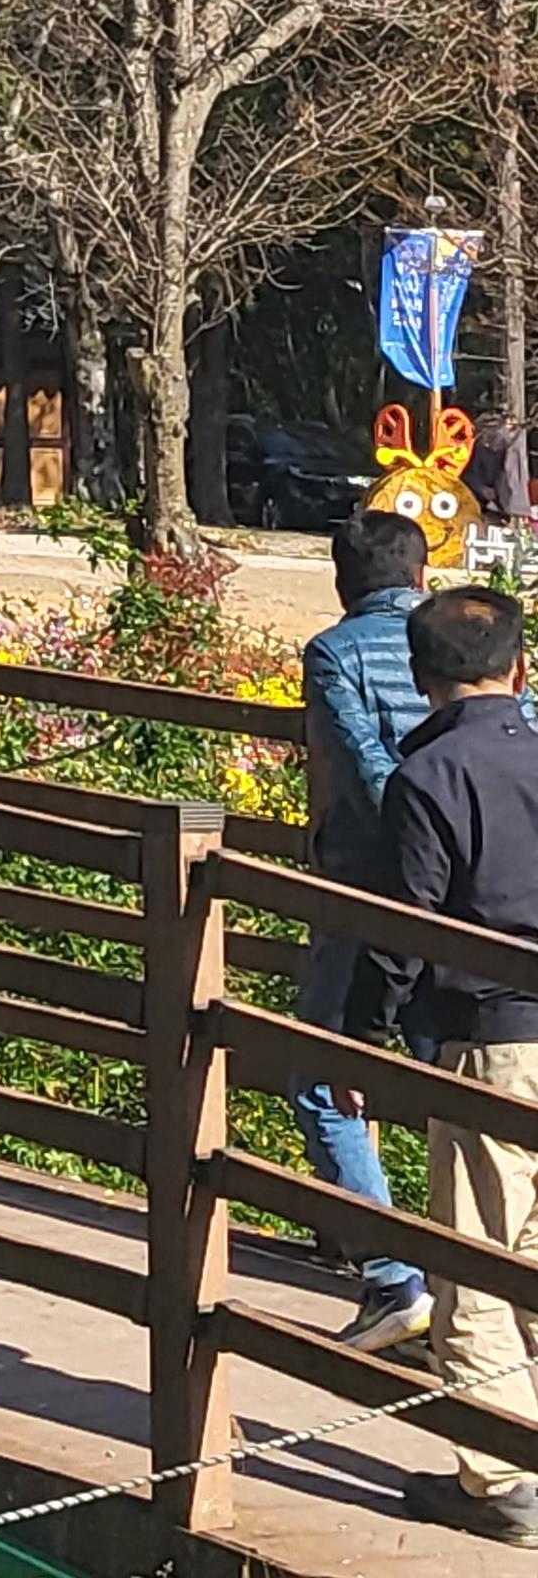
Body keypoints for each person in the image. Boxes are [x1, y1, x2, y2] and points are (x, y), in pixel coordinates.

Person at [354, 582, 538, 1541]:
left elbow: (402, 932)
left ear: (423, 680)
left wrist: (365, 1034)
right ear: (520, 666)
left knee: (476, 1256)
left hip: (489, 1036)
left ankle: (500, 1478)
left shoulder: (426, 779)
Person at [296, 505, 434, 1353]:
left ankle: (392, 1277)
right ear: (422, 576)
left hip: (366, 891)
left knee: (323, 1073)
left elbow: (361, 765)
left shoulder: (334, 652)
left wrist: (420, 835)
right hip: (476, 892)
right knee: (460, 1082)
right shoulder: (469, 646)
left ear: (343, 582)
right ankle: (485, 1288)